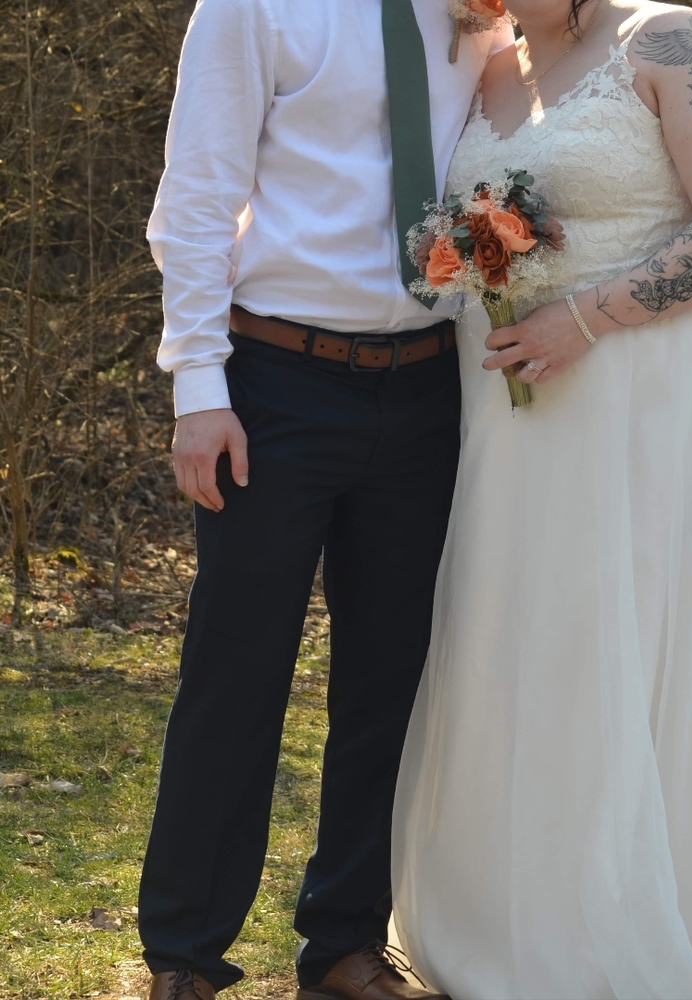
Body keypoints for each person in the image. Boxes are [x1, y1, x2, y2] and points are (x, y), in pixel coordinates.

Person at [391, 2, 692, 998]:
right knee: (535, 647)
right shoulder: (483, 69)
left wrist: (586, 316)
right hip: (517, 417)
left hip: (663, 407)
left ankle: (668, 930)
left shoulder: (667, 40)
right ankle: (527, 928)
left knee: (659, 646)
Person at [137, 2, 512, 998]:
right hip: (276, 380)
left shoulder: (476, 12)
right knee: (235, 671)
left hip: (430, 385)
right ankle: (184, 951)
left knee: (391, 679)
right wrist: (199, 391)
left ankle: (344, 937)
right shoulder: (252, 8)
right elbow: (198, 198)